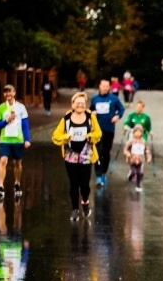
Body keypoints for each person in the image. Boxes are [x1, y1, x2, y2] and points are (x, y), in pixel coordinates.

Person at [52, 92, 102, 220]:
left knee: (84, 184)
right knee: (74, 184)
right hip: (71, 154)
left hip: (86, 154)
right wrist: (66, 137)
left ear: (85, 105)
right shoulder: (66, 119)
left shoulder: (91, 118)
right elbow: (56, 136)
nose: (80, 105)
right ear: (72, 104)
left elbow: (98, 133)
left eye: (83, 103)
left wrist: (90, 136)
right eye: (77, 103)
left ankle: (85, 201)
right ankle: (75, 210)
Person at [0, 84, 32, 198]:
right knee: (3, 160)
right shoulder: (0, 108)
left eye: (10, 91)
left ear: (14, 93)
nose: (8, 94)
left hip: (18, 140)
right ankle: (1, 186)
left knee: (17, 163)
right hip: (5, 140)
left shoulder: (21, 107)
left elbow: (25, 125)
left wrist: (27, 139)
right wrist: (6, 121)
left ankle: (17, 183)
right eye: (5, 92)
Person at [89, 78, 125, 186]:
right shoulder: (95, 99)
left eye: (107, 86)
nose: (105, 88)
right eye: (103, 86)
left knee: (106, 152)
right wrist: (92, 113)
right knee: (97, 152)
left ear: (109, 87)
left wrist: (117, 116)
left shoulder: (114, 98)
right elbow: (90, 110)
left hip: (109, 129)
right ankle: (98, 175)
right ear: (99, 86)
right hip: (97, 130)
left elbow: (122, 109)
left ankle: (103, 173)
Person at [122, 124, 152, 192]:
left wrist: (148, 157)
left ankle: (138, 185)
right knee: (133, 171)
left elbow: (147, 150)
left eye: (140, 132)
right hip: (132, 159)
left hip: (140, 160)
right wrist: (128, 154)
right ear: (134, 132)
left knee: (139, 173)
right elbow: (125, 149)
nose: (138, 134)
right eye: (136, 132)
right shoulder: (130, 141)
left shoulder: (143, 141)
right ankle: (131, 175)